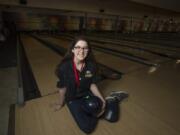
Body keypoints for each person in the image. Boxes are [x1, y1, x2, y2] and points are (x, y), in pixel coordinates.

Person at [53, 36, 128, 133]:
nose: (82, 50)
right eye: (78, 47)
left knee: (112, 118)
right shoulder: (64, 68)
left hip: (87, 95)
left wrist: (101, 99)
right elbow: (62, 88)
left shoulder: (91, 66)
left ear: (88, 50)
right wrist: (60, 103)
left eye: (85, 48)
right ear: (72, 49)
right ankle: (96, 112)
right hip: (72, 99)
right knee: (87, 129)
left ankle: (112, 99)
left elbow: (91, 84)